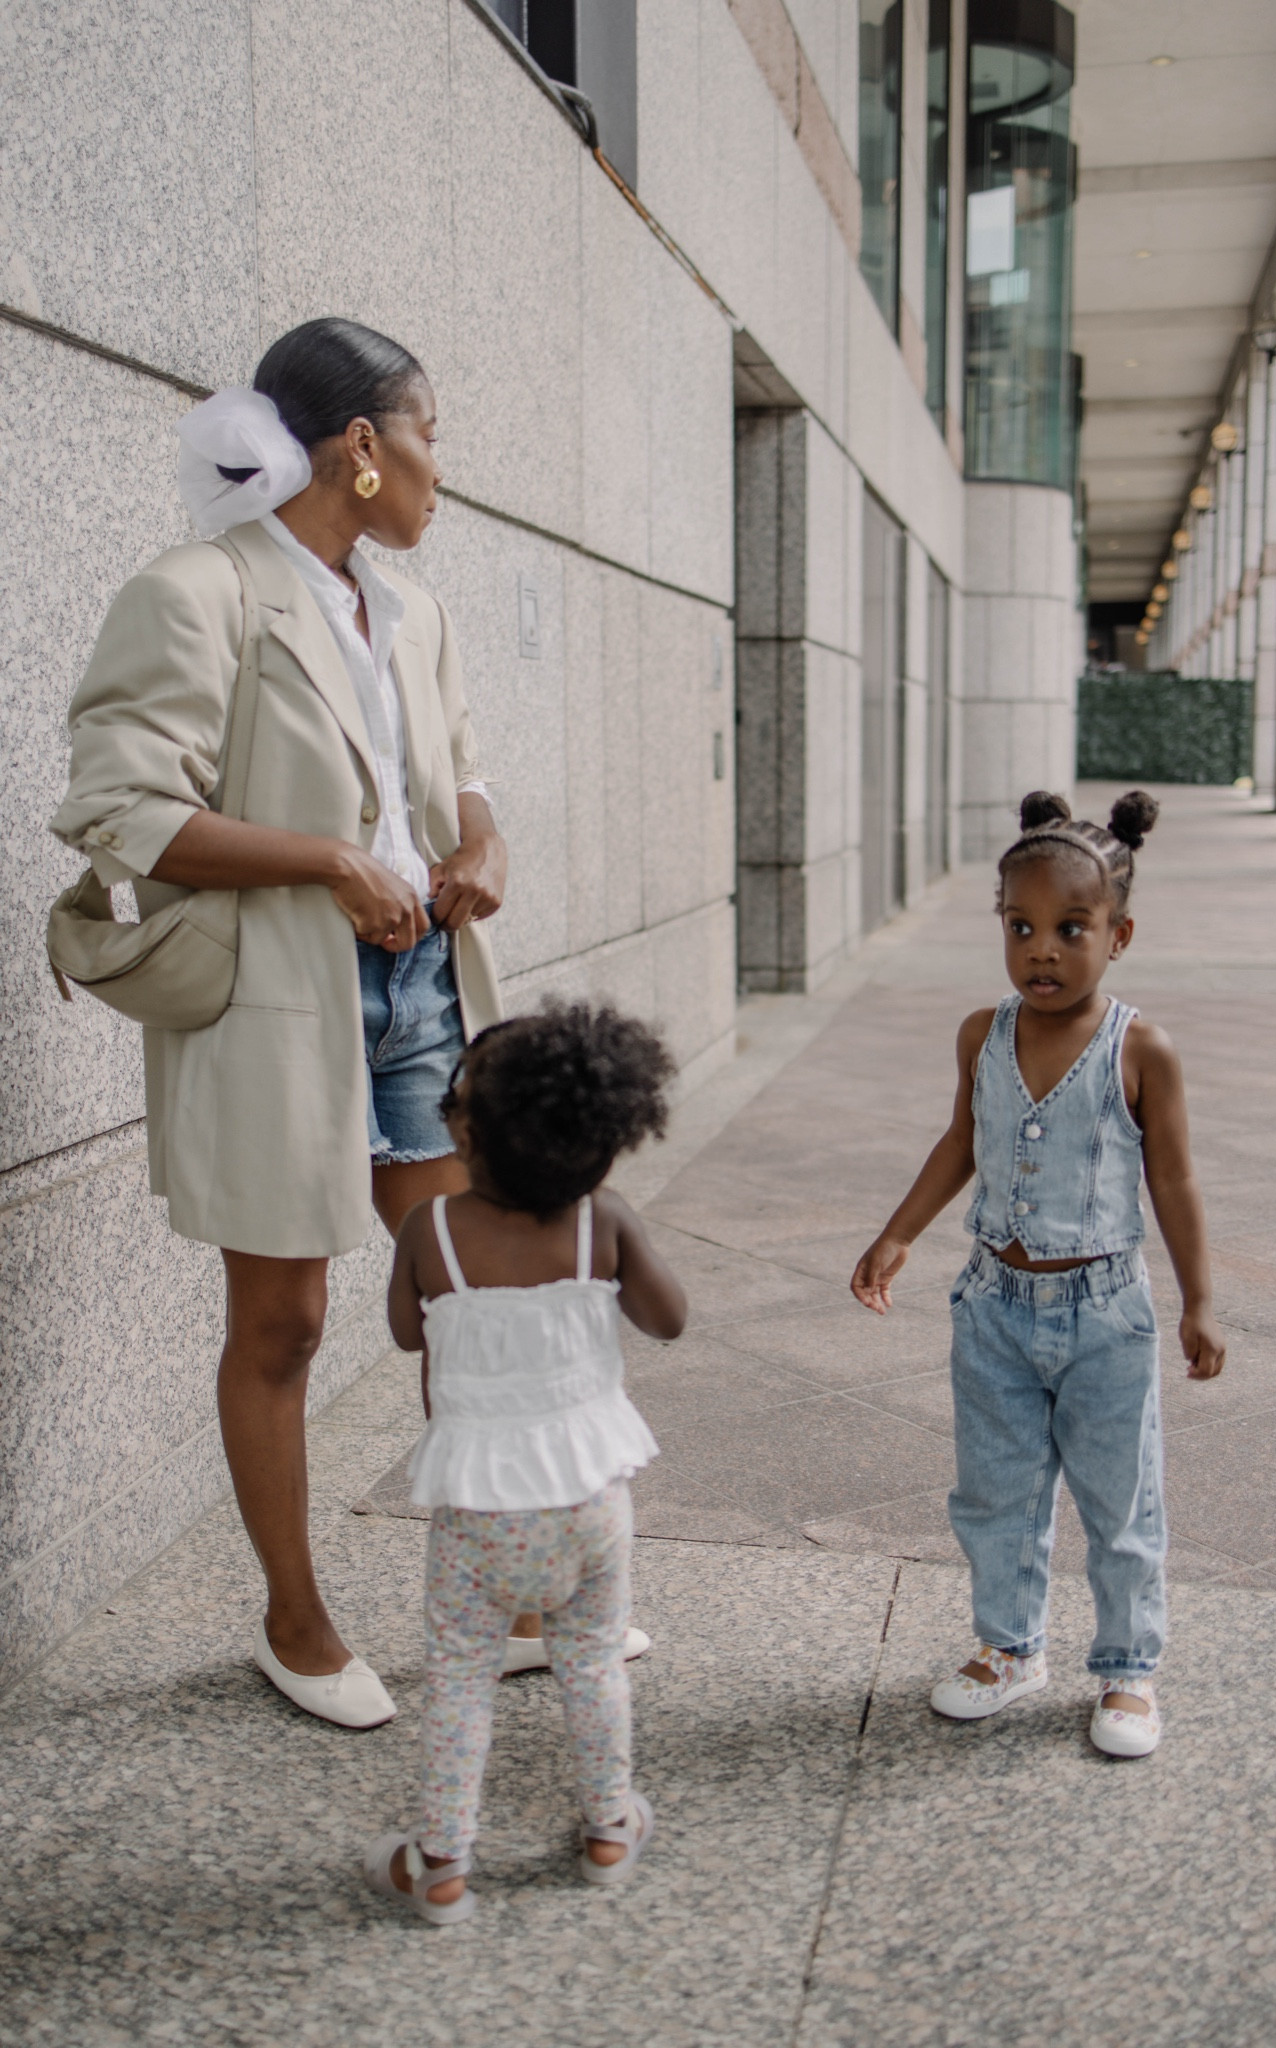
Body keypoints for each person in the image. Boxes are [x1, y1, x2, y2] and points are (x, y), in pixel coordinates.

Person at [50, 318, 510, 1727]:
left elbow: (457, 775)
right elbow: (120, 812)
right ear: (360, 448)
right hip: (276, 1001)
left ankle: (509, 1592)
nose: (444, 469)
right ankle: (294, 1619)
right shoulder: (197, 591)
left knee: (467, 1298)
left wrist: (478, 842)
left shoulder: (410, 611)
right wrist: (326, 860)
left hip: (420, 985)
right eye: (429, 434)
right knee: (287, 1319)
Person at [851, 791, 1226, 1759]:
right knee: (994, 1490)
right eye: (1019, 927)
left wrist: (1198, 1300)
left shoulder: (1140, 1047)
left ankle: (1127, 1665)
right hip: (992, 1307)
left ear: (1119, 933)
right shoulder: (982, 1032)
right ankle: (1008, 1645)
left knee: (1118, 1496)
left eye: (1069, 928)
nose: (1042, 950)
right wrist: (897, 1233)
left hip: (1104, 1311)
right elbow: (959, 1141)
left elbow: (1172, 1176)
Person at [365, 1001, 686, 1922]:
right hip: (589, 1504)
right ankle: (608, 1827)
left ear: (467, 1129)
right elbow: (669, 1320)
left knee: (461, 1680)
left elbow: (399, 1333)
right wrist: (615, 1244)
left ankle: (442, 1861)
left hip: (477, 1513)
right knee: (591, 1663)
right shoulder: (603, 1223)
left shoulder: (431, 1231)